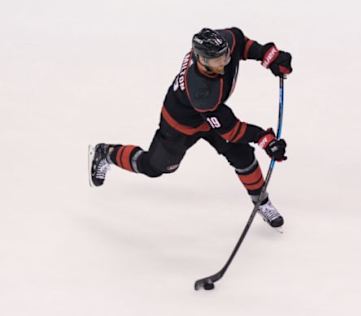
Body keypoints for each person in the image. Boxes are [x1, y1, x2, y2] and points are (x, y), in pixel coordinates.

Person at [88, 27, 292, 228]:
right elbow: (232, 130)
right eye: (218, 59)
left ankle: (261, 202)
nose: (225, 61)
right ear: (202, 61)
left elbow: (242, 44)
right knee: (154, 167)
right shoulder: (202, 91)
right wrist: (265, 139)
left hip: (212, 114)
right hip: (180, 123)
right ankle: (106, 153)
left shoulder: (224, 43)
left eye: (226, 55)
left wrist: (268, 55)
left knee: (242, 156)